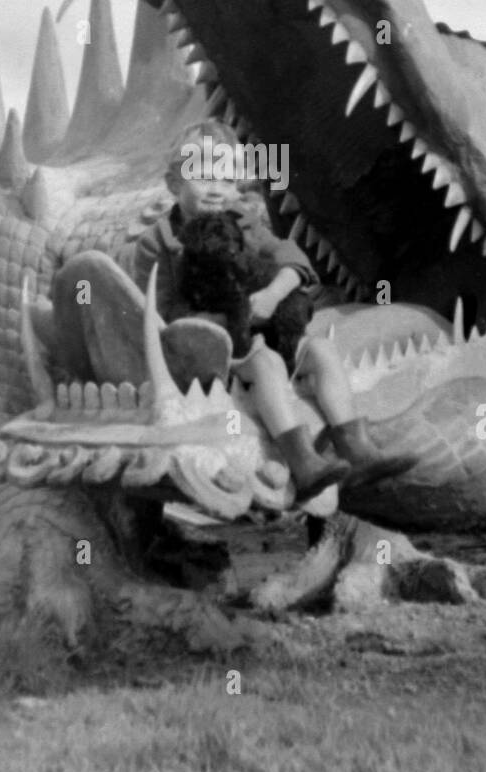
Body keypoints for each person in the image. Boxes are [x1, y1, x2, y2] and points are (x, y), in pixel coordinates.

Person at [129, 120, 414, 499]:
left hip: (262, 323)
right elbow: (163, 315)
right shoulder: (158, 244)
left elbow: (292, 261)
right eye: (202, 176)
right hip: (212, 343)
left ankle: (357, 450)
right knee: (267, 363)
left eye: (227, 179)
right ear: (174, 184)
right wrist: (229, 320)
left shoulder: (245, 225)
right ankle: (303, 461)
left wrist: (273, 295)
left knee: (321, 351)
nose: (216, 189)